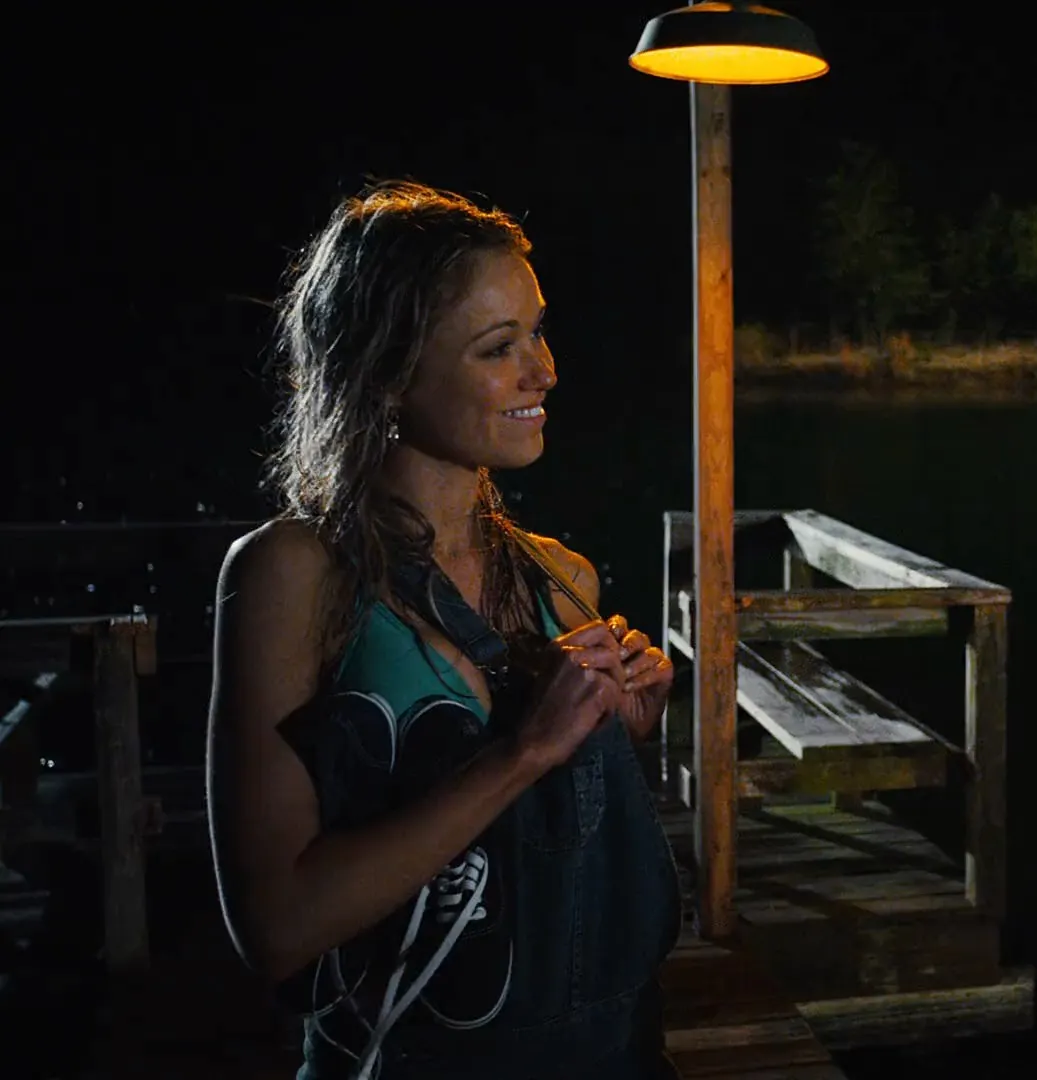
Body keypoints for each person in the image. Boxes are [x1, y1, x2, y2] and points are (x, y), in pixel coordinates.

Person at [206, 181, 683, 1080]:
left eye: (538, 332)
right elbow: (277, 928)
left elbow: (569, 867)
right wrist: (522, 751)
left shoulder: (563, 581)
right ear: (388, 372)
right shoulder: (294, 575)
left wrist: (619, 727)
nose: (545, 371)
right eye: (499, 348)